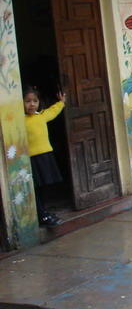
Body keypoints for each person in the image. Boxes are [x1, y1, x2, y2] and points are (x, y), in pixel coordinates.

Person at [23, 86, 66, 227]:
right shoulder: (20, 120)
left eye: (35, 101)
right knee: (34, 188)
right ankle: (42, 216)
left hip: (45, 156)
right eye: (28, 101)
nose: (32, 104)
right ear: (22, 103)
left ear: (39, 102)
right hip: (31, 159)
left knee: (42, 187)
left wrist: (61, 102)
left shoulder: (41, 116)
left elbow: (53, 111)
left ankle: (43, 212)